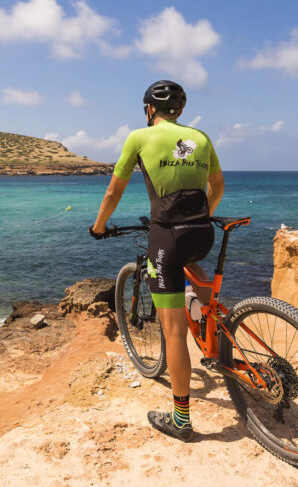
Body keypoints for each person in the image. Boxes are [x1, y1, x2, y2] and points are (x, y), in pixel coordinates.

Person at [89, 80, 225, 442]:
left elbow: (113, 190)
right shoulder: (201, 137)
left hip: (168, 238)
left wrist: (99, 226)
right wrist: (200, 217)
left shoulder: (139, 137)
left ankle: (181, 420)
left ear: (150, 109)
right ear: (179, 111)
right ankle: (203, 314)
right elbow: (219, 186)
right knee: (188, 272)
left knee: (174, 331)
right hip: (203, 234)